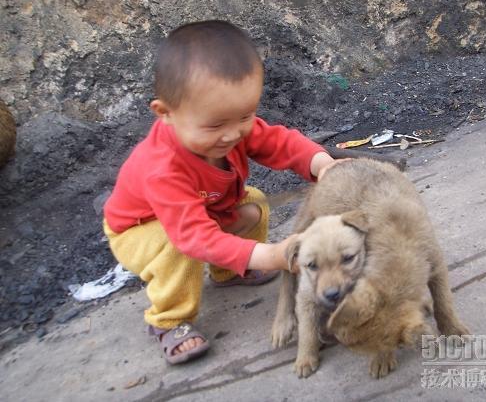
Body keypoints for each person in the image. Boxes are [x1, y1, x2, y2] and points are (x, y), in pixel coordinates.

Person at [102, 20, 336, 364]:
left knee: (253, 203)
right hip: (139, 229)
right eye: (215, 125)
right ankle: (169, 320)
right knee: (176, 245)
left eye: (246, 115)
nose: (233, 134)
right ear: (165, 113)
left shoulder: (232, 126)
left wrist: (322, 164)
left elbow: (279, 141)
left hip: (200, 212)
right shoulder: (162, 166)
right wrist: (271, 254)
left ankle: (229, 272)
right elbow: (194, 237)